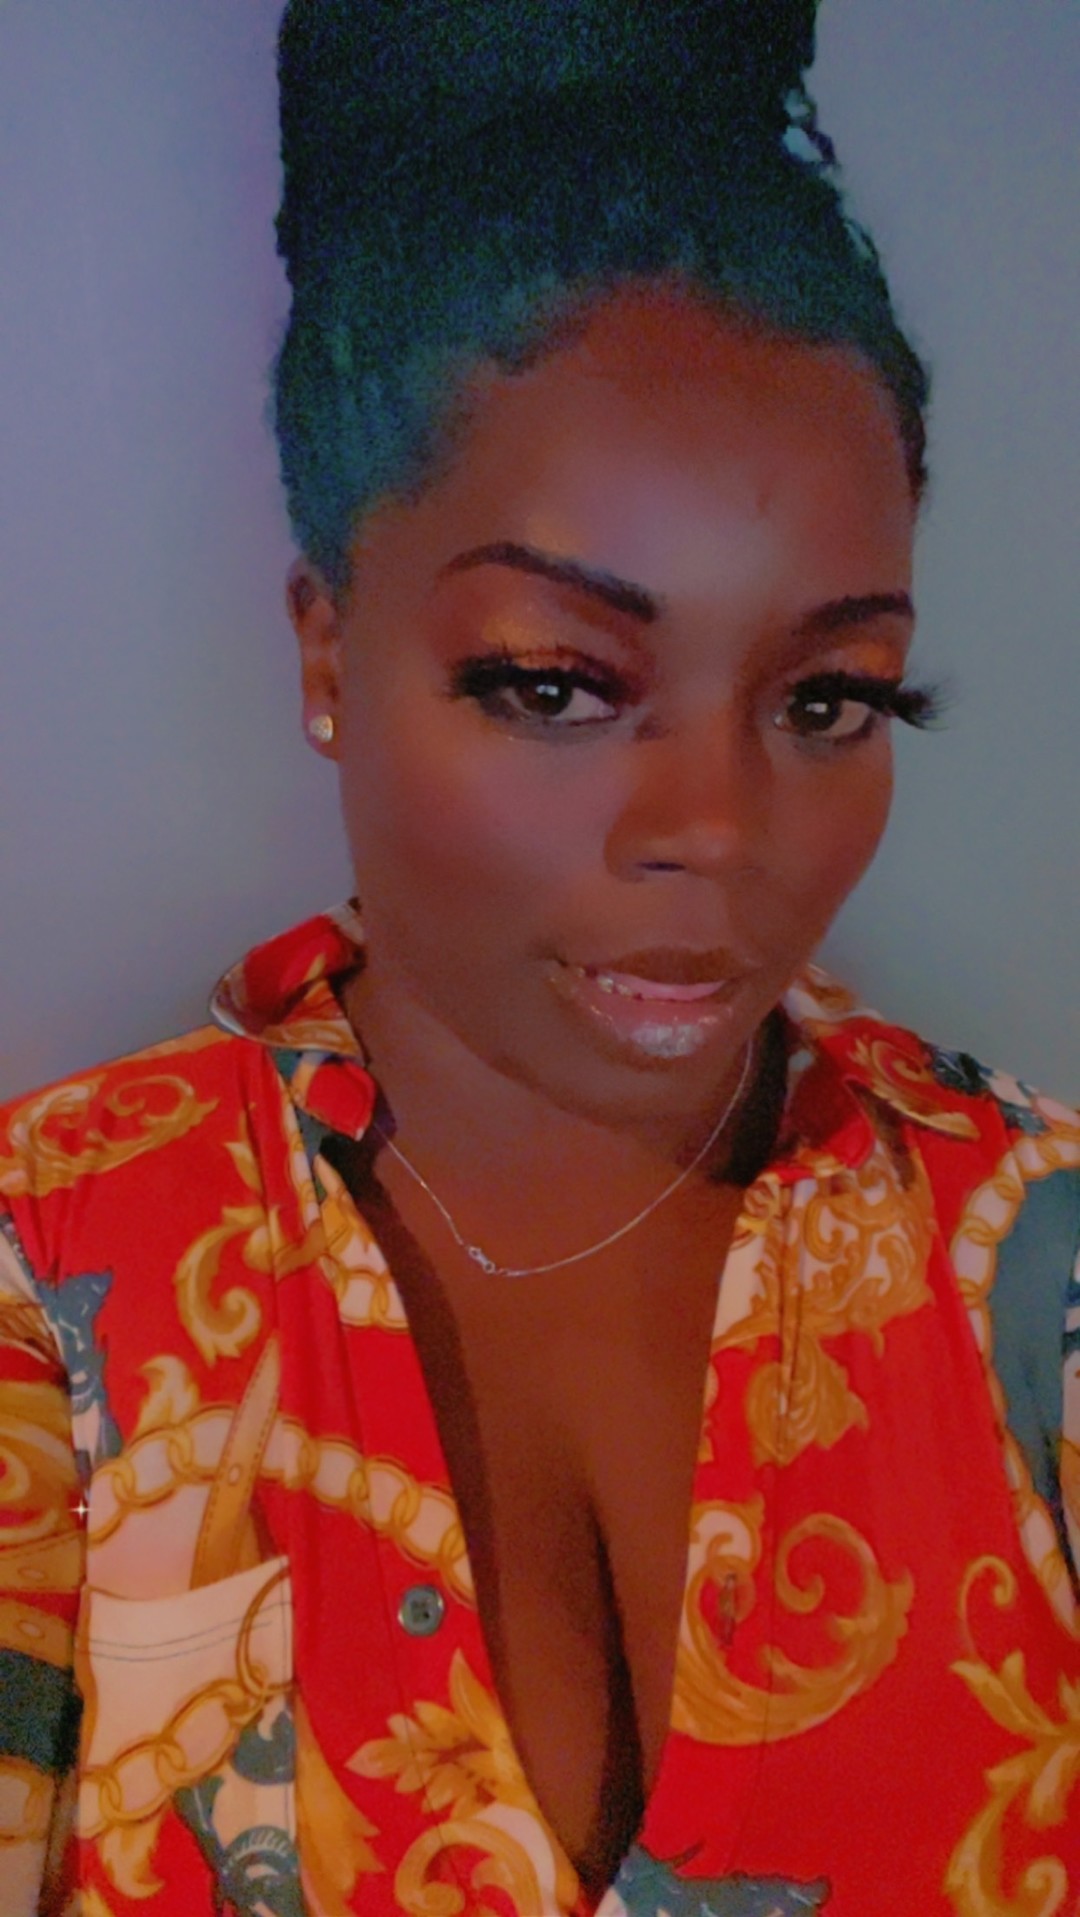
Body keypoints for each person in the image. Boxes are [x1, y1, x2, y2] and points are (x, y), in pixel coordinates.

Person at [1, 2, 1078, 1911]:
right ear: (329, 651)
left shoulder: (1040, 1263)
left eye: (829, 696)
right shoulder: (54, 1278)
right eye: (559, 683)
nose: (718, 827)